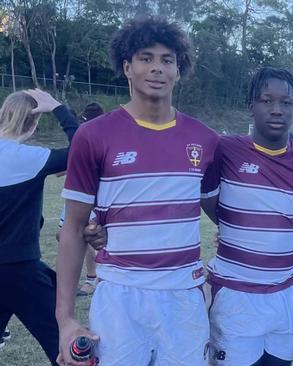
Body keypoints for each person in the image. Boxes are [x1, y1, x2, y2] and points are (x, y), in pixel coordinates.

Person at [56, 17, 220, 366]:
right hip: (120, 294)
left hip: (184, 295)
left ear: (179, 69)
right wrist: (65, 319)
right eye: (146, 58)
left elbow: (221, 210)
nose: (157, 68)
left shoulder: (205, 139)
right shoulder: (93, 136)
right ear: (127, 67)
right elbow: (72, 229)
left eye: (167, 59)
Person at [206, 67, 293, 366]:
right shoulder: (224, 150)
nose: (277, 110)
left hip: (286, 294)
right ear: (251, 105)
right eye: (267, 100)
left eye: (286, 103)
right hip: (236, 296)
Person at [0, 89, 79, 365]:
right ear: (32, 124)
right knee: (64, 347)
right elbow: (83, 148)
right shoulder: (30, 158)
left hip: (20, 270)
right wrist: (58, 108)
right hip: (22, 271)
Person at [56, 102, 105, 296]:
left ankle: (92, 279)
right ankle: (92, 277)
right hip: (78, 197)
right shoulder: (87, 138)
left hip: (92, 197)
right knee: (64, 234)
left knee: (82, 234)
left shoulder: (102, 139)